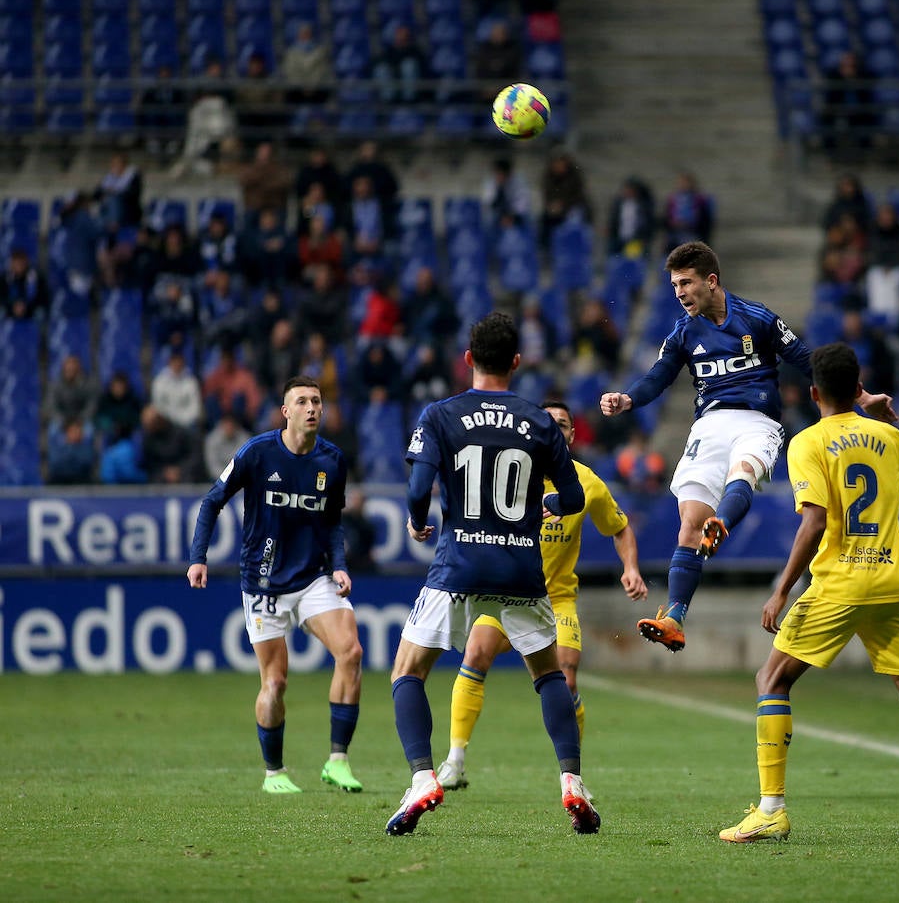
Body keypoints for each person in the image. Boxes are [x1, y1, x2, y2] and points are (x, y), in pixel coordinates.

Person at [718, 343, 899, 846]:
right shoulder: (890, 436)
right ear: (859, 384)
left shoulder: (807, 442)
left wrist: (780, 591)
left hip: (839, 583)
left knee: (771, 678)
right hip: (890, 581)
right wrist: (894, 550)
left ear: (813, 391)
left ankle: (771, 810)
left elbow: (815, 520)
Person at [599, 241, 894, 653]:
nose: (679, 293)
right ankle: (676, 618)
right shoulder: (684, 332)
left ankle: (722, 522)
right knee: (688, 524)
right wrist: (627, 399)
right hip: (710, 425)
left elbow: (810, 361)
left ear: (711, 280)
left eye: (686, 283)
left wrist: (862, 398)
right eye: (674, 286)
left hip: (758, 421)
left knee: (744, 470)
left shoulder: (758, 319)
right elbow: (658, 376)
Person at [386, 312, 598, 836]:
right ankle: (571, 780)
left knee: (408, 672)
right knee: (549, 676)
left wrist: (418, 522)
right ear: (517, 362)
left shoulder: (441, 414)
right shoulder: (540, 421)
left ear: (468, 359)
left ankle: (422, 777)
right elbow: (572, 498)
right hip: (521, 569)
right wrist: (542, 505)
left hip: (458, 563)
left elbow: (417, 491)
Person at [436, 399, 649, 790]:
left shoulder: (585, 482)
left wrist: (631, 568)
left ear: (571, 435)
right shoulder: (508, 471)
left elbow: (619, 527)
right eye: (547, 422)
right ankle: (455, 759)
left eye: (564, 425)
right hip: (507, 593)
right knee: (476, 654)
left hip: (555, 600)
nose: (555, 429)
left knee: (565, 679)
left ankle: (572, 776)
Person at [187, 375, 364, 795]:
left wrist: (339, 565)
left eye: (317, 401)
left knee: (351, 652)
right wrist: (198, 557)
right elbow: (213, 501)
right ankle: (274, 772)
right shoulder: (257, 452)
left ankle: (337, 760)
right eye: (302, 401)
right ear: (286, 412)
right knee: (276, 682)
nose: (312, 408)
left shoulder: (333, 460)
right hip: (264, 582)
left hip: (314, 578)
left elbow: (332, 522)